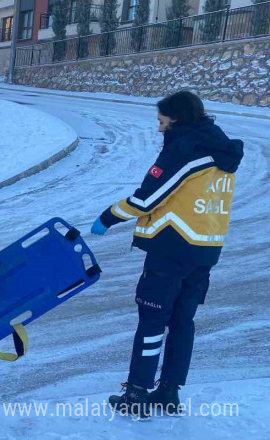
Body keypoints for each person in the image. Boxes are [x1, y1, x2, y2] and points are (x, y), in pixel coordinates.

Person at [91, 91, 243, 419]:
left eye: (162, 122)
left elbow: (147, 199)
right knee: (182, 321)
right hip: (205, 251)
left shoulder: (185, 150)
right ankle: (169, 392)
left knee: (152, 320)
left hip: (171, 249)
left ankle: (136, 393)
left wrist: (108, 216)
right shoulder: (220, 149)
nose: (159, 129)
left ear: (177, 120)